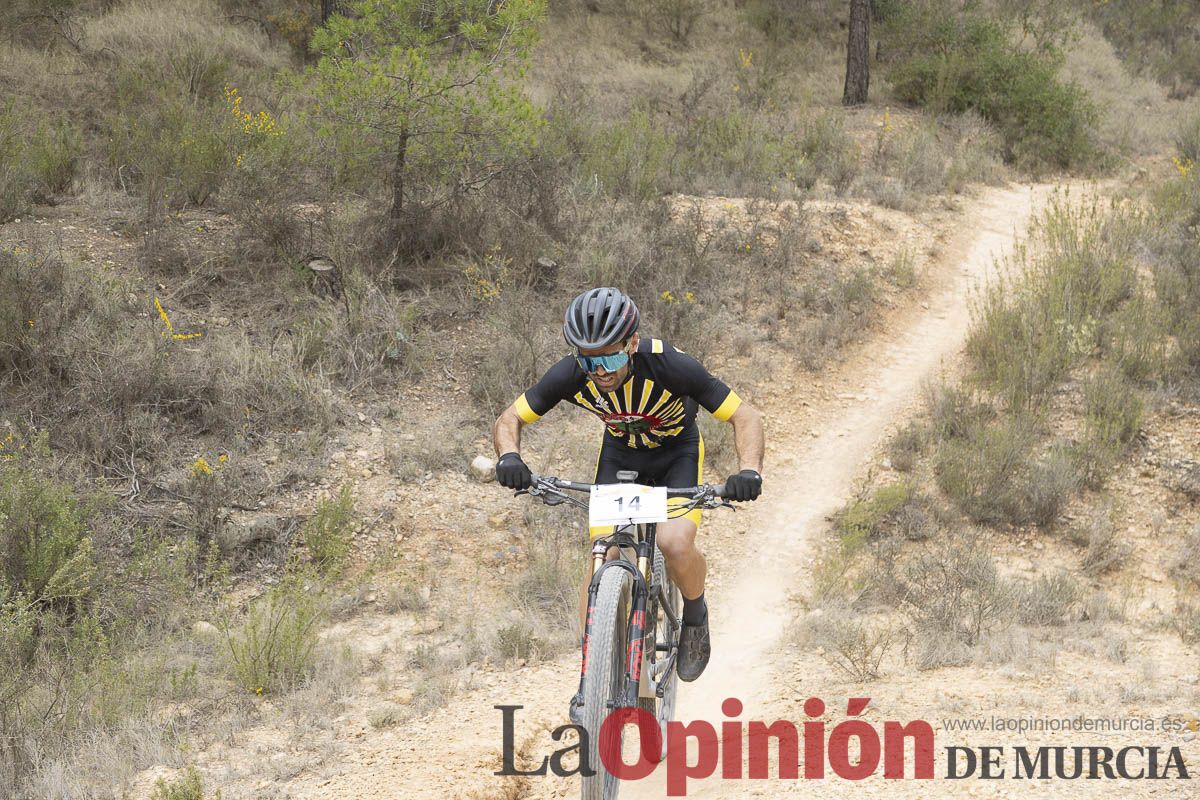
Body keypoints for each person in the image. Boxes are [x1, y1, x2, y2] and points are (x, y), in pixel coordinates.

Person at [491, 287, 764, 697]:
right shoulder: (570, 374)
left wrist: (749, 470)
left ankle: (694, 613)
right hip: (621, 457)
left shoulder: (670, 365)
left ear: (632, 344)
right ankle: (596, 667)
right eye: (589, 360)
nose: (600, 371)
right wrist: (509, 457)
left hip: (677, 454)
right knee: (603, 553)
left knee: (673, 542)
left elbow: (745, 415)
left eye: (611, 358)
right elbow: (510, 417)